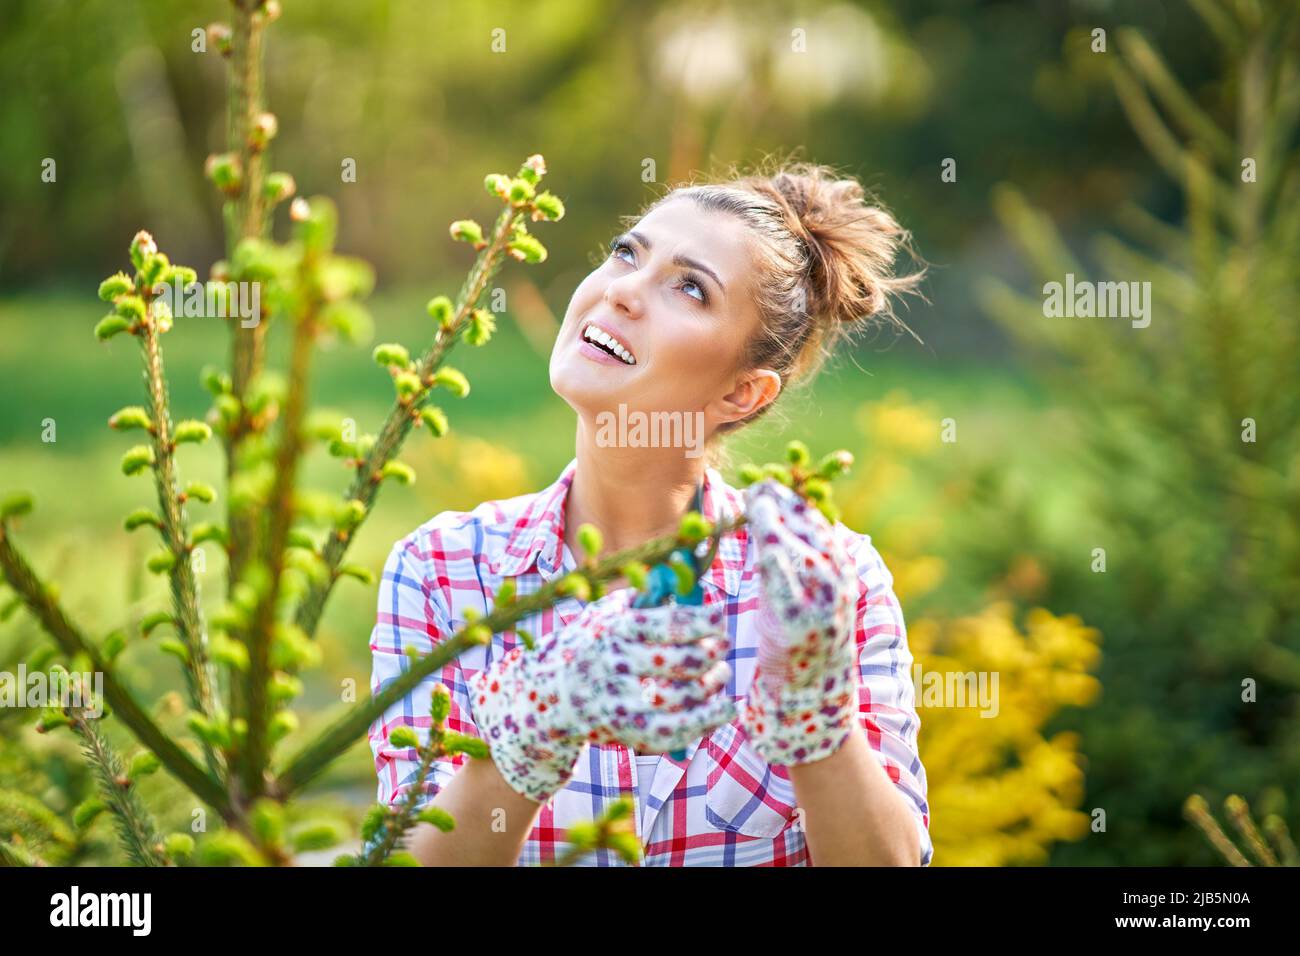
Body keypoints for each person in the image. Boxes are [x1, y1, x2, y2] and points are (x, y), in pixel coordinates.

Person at [368, 159, 932, 866]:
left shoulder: (825, 585)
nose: (624, 291)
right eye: (626, 253)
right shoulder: (444, 569)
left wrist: (815, 721)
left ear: (743, 395)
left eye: (690, 289)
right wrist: (530, 726)